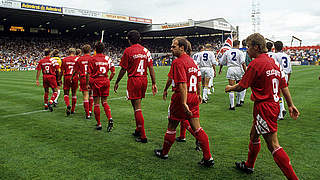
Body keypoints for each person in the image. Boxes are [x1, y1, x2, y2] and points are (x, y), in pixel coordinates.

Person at [225, 33, 299, 179]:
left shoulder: (255, 63)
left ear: (257, 47)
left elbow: (242, 86)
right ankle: (249, 165)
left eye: (248, 47)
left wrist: (230, 88)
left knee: (273, 145)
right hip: (273, 105)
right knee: (253, 135)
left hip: (264, 107)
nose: (247, 50)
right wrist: (290, 104)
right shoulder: (273, 62)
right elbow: (284, 86)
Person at [154, 37, 214, 167]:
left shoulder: (178, 62)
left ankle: (164, 153)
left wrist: (183, 102)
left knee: (171, 125)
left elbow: (182, 84)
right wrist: (198, 94)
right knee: (197, 128)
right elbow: (198, 80)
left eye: (173, 46)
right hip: (193, 96)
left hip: (182, 97)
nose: (171, 49)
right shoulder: (193, 62)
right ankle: (208, 157)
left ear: (182, 47)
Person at [114, 30, 157, 143]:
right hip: (144, 79)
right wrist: (153, 83)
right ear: (139, 39)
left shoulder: (128, 51)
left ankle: (143, 136)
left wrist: (117, 81)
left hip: (134, 79)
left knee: (137, 107)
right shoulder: (146, 51)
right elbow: (151, 68)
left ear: (129, 40)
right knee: (137, 105)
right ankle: (138, 129)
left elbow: (123, 69)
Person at [87, 42, 115, 131]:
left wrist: (88, 84)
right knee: (105, 102)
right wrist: (109, 80)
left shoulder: (92, 59)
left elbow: (89, 73)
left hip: (96, 81)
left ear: (95, 49)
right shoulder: (108, 58)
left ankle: (99, 124)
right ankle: (110, 118)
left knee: (96, 103)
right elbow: (113, 72)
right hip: (105, 80)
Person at [219, 40, 247, 110]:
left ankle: (232, 105)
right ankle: (238, 102)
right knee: (238, 86)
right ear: (238, 45)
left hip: (230, 69)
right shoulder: (240, 52)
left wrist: (220, 69)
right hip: (238, 69)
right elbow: (243, 63)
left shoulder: (227, 52)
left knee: (231, 87)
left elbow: (222, 62)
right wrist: (246, 72)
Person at [73, 44, 92, 119]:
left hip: (83, 78)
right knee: (91, 95)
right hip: (91, 78)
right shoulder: (92, 58)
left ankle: (87, 114)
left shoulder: (79, 59)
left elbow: (76, 70)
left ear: (83, 51)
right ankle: (90, 110)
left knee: (85, 96)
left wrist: (72, 77)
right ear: (90, 50)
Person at [274, 41, 292, 120]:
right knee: (281, 93)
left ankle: (281, 113)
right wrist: (288, 79)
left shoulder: (275, 55)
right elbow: (290, 70)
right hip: (286, 75)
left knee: (278, 94)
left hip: (279, 75)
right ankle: (283, 109)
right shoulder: (287, 56)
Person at [61, 48, 79, 116]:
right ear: (74, 53)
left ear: (68, 52)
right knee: (74, 94)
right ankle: (73, 110)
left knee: (66, 93)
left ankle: (68, 105)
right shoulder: (77, 58)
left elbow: (62, 70)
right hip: (75, 77)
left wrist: (59, 79)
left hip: (67, 77)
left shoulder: (65, 59)